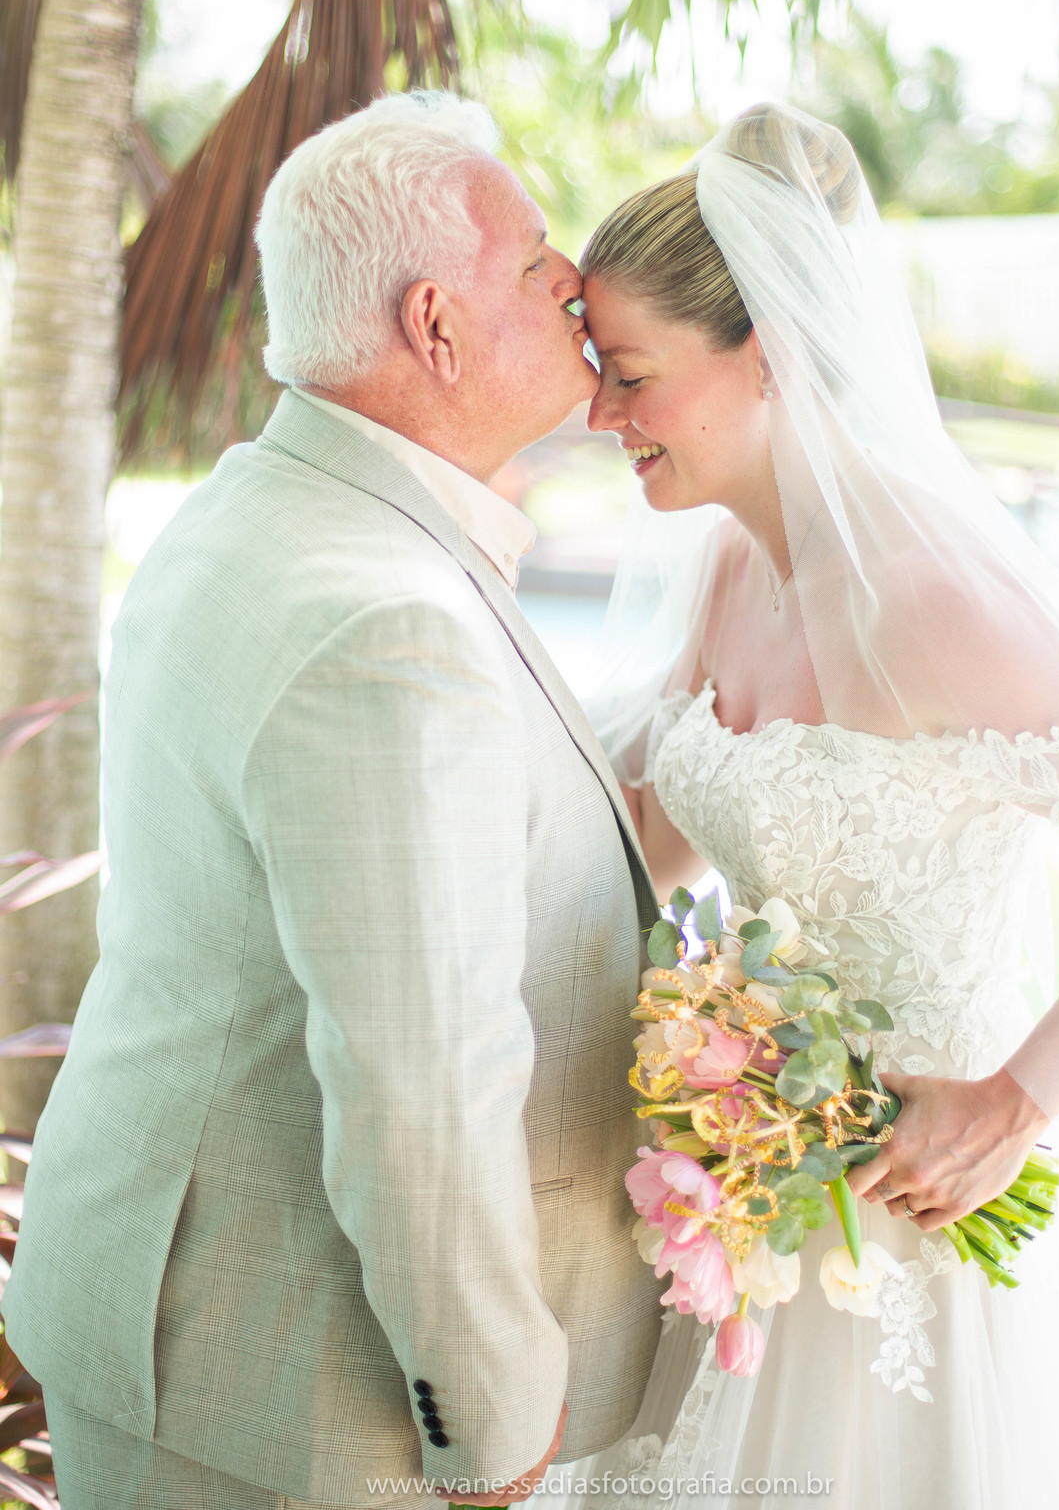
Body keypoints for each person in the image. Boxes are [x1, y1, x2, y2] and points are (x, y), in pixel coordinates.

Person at [2, 92, 663, 1509]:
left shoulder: (258, 509)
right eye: (537, 256)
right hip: (296, 1401)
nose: (572, 281)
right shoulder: (384, 623)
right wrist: (485, 1425)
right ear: (434, 324)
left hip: (186, 1324)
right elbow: (416, 1080)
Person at [574, 102, 1059, 1510]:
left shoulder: (931, 604)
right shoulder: (732, 569)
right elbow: (640, 849)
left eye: (629, 374)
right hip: (744, 1222)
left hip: (914, 1243)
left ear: (768, 356)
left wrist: (1014, 1105)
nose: (599, 413)